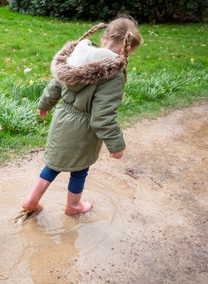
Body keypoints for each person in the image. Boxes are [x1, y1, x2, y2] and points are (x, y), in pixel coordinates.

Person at [22, 15, 142, 216]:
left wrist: (45, 104)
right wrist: (116, 145)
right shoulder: (113, 73)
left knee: (53, 164)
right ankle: (73, 206)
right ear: (125, 48)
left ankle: (31, 200)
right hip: (83, 129)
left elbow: (57, 83)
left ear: (104, 37)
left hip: (62, 118)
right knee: (80, 169)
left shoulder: (78, 55)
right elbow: (102, 116)